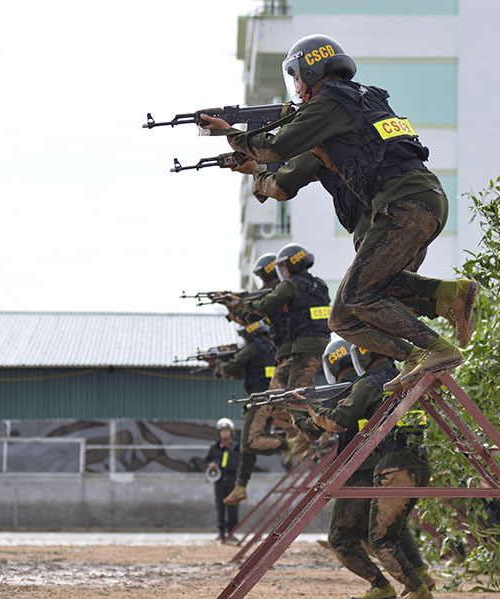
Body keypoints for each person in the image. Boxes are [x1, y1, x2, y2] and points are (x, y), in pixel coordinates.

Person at [203, 34, 477, 390]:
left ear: (310, 70)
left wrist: (233, 136)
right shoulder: (364, 98)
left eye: (297, 76)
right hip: (421, 200)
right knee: (343, 317)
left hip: (402, 206)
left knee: (361, 295)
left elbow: (277, 155)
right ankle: (419, 348)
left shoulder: (329, 105)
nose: (296, 86)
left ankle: (438, 343)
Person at [293, 341, 435, 599]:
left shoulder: (367, 384)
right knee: (393, 529)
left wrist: (304, 408)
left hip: (388, 465)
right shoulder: (403, 378)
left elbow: (337, 420)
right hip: (418, 461)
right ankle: (419, 577)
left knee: (374, 538)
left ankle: (412, 590)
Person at [228, 242, 331, 460]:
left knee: (293, 394)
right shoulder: (319, 285)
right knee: (287, 393)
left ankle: (318, 427)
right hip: (317, 345)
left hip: (302, 348)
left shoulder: (290, 286)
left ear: (292, 265)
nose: (282, 272)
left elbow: (265, 306)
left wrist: (241, 303)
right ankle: (311, 429)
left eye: (283, 267)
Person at [215, 321, 279, 505]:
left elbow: (232, 367)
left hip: (258, 401)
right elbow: (250, 371)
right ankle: (241, 485)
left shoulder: (253, 348)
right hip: (270, 399)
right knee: (249, 446)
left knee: (249, 443)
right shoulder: (273, 347)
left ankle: (288, 444)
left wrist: (218, 363)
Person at [205, 418, 241, 542]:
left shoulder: (236, 448)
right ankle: (221, 532)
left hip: (232, 481)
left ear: (231, 432)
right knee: (220, 507)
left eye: (227, 431)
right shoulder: (214, 448)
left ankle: (232, 532)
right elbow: (207, 460)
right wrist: (210, 465)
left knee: (233, 508)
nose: (224, 433)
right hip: (219, 482)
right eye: (222, 431)